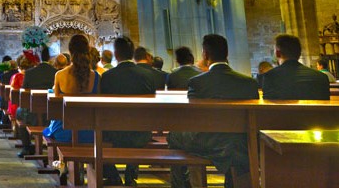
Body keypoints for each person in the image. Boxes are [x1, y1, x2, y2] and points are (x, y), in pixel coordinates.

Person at [168, 34, 259, 188]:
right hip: (238, 142)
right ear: (227, 54)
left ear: (205, 54)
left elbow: (192, 118)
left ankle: (182, 185)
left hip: (205, 142)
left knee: (173, 136)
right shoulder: (249, 82)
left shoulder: (197, 82)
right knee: (233, 146)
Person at [100, 36, 156, 186]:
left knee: (96, 135)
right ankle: (131, 174)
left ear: (116, 54)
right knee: (138, 123)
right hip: (141, 132)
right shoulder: (148, 75)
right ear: (132, 54)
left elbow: (102, 108)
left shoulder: (107, 77)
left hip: (112, 132)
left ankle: (112, 175)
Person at [43, 34, 100, 145]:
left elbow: (55, 107)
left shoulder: (59, 75)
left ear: (70, 51)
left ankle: (58, 162)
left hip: (64, 130)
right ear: (87, 50)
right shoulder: (96, 76)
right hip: (89, 132)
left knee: (49, 130)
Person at [261, 34, 330, 100]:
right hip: (315, 112)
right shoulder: (321, 77)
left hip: (283, 112)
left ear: (277, 53)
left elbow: (268, 108)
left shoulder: (270, 76)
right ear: (299, 53)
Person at [17, 46, 57, 156]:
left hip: (32, 113)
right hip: (52, 114)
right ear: (49, 58)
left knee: (19, 112)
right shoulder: (56, 72)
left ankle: (26, 147)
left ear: (37, 58)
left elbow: (24, 93)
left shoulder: (30, 73)